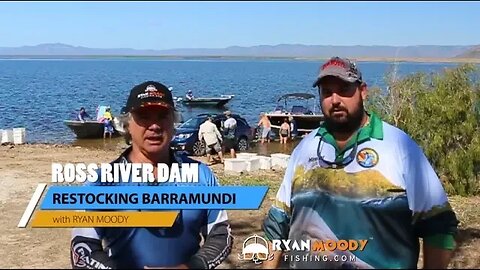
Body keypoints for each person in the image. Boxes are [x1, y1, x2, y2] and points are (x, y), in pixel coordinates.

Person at [262, 57, 459, 269]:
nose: (335, 99)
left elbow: (438, 226)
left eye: (344, 89)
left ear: (363, 91)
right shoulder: (305, 149)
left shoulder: (399, 147)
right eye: (327, 92)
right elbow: (278, 222)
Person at [70, 81, 233, 269]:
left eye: (163, 116)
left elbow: (221, 236)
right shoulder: (101, 182)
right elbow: (82, 249)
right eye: (143, 117)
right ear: (127, 125)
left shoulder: (202, 176)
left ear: (174, 123)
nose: (154, 125)